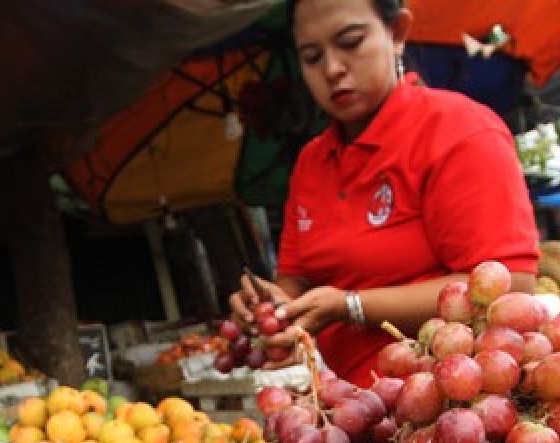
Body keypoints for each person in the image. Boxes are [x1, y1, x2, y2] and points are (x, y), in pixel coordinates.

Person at [229, 0, 539, 387]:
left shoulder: (458, 131)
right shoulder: (312, 161)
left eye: (351, 42)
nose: (332, 69)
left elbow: (510, 284)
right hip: (353, 409)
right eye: (312, 57)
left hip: (451, 401)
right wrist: (269, 304)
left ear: (397, 34)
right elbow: (297, 282)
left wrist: (352, 306)